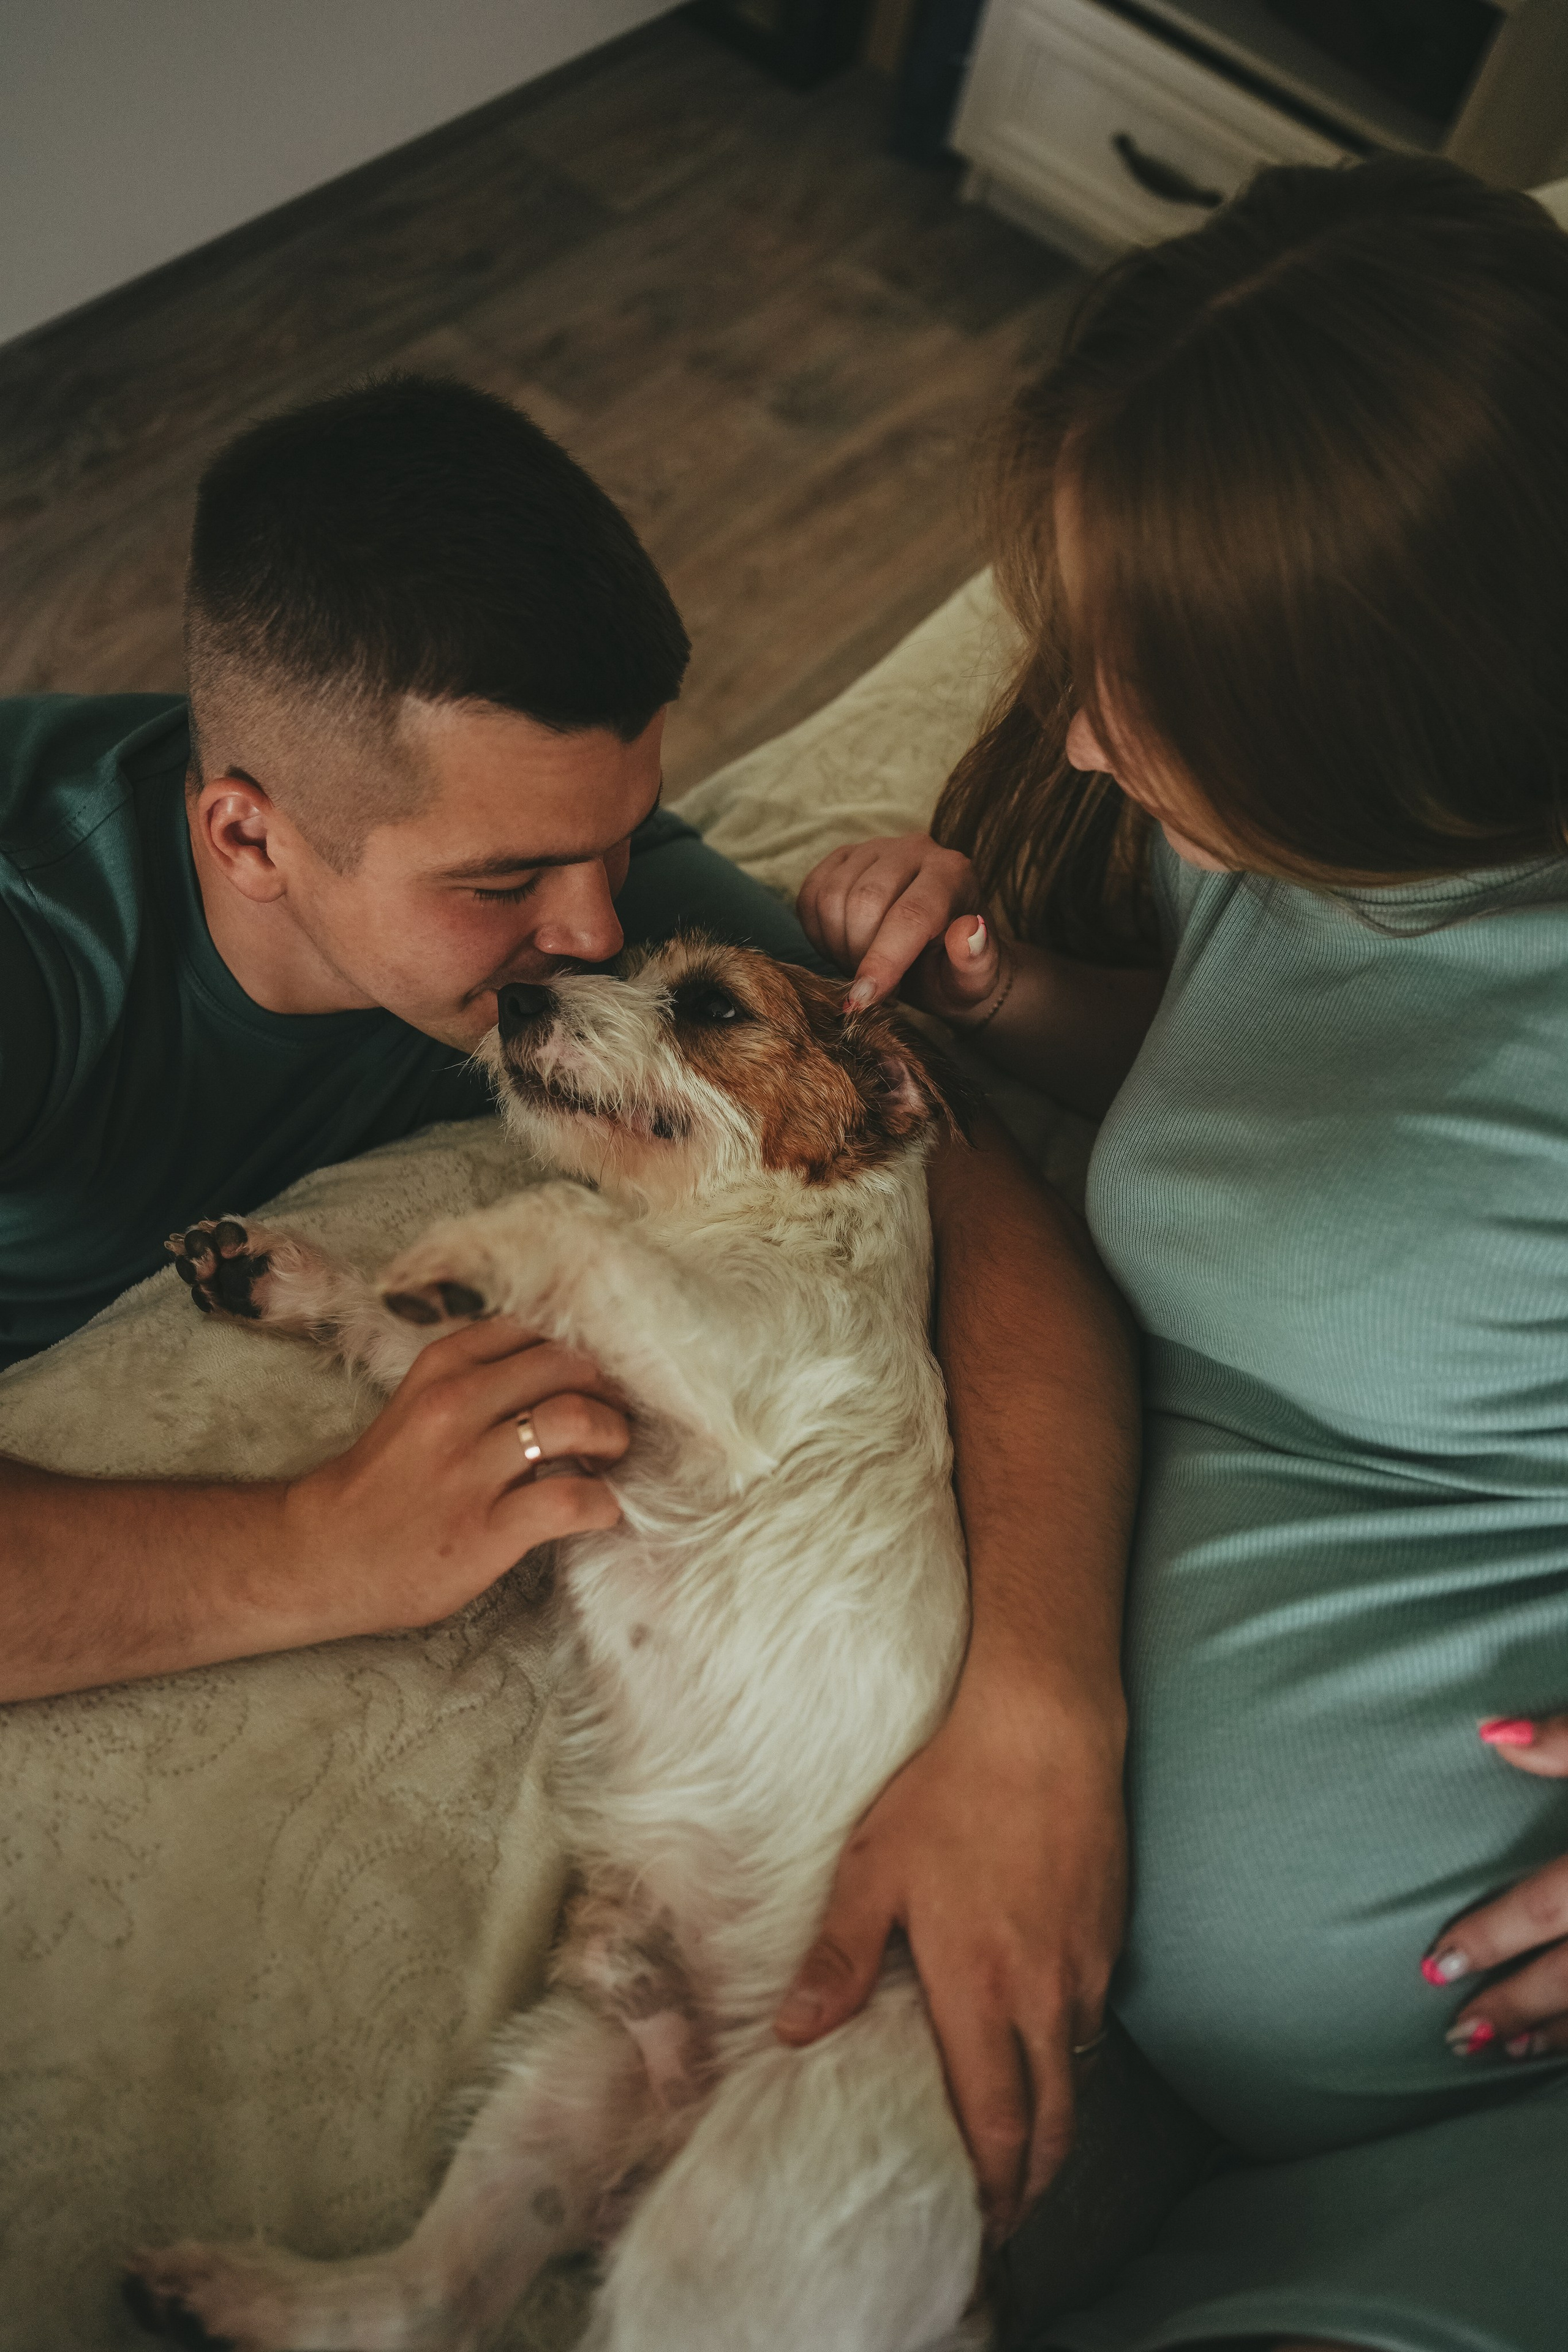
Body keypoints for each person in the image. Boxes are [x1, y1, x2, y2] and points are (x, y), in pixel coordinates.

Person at [0, 376, 1137, 2242]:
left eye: (626, 835)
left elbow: (986, 1211)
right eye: (509, 880)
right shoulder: (41, 968)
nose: (602, 933)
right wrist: (311, 1544)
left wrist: (1037, 1713)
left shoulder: (603, 916)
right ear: (248, 836)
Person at [786, 157, 1568, 2352]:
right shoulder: (1304, 834)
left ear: (1390, 714)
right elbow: (1256, 1087)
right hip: (1212, 2055)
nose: (1082, 735)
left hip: (1492, 2116)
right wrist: (999, 1000)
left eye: (1148, 692)